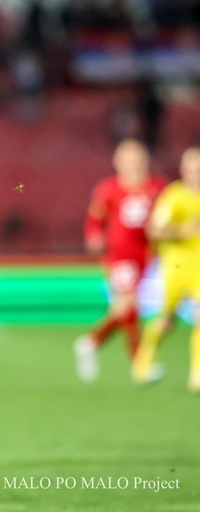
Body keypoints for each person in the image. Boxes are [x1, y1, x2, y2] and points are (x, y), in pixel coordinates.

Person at [74, 139, 167, 382]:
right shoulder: (109, 189)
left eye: (136, 157)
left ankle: (90, 343)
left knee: (123, 309)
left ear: (145, 159)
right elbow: (95, 219)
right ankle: (140, 366)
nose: (132, 163)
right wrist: (94, 236)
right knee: (129, 305)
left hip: (146, 255)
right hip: (120, 255)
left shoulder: (157, 187)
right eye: (127, 158)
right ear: (117, 162)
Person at [132, 146, 200, 391]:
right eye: (192, 168)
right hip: (176, 267)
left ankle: (197, 374)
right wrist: (182, 230)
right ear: (183, 170)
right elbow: (154, 230)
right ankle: (143, 363)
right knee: (166, 321)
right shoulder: (174, 196)